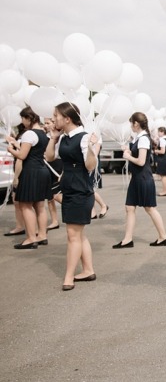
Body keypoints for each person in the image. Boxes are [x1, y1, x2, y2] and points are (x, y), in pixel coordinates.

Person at [45, 102, 98, 290]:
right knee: (77, 234)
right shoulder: (63, 138)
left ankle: (69, 277)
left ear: (67, 118)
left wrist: (92, 148)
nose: (53, 119)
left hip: (80, 190)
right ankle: (88, 270)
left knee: (72, 235)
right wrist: (53, 138)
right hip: (69, 188)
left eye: (56, 115)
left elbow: (90, 166)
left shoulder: (84, 138)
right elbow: (49, 157)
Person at [113, 112, 166, 248]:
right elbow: (138, 156)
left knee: (149, 208)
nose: (130, 126)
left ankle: (163, 237)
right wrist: (129, 150)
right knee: (130, 207)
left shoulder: (143, 138)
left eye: (131, 123)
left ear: (136, 124)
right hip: (138, 178)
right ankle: (127, 239)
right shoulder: (139, 138)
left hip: (143, 177)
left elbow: (141, 161)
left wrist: (128, 156)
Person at [6, 107, 52, 249]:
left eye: (23, 118)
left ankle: (31, 238)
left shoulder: (28, 134)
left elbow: (22, 155)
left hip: (31, 171)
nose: (22, 122)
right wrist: (17, 144)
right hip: (42, 170)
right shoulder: (43, 133)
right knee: (40, 205)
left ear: (29, 118)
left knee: (25, 205)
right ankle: (42, 235)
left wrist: (11, 149)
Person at [4, 123, 26, 237]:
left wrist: (16, 178)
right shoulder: (24, 136)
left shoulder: (25, 137)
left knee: (18, 201)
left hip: (22, 173)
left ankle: (21, 226)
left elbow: (20, 159)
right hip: (25, 172)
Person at [153, 127, 166, 196]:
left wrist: (155, 151)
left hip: (163, 159)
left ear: (163, 132)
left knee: (163, 176)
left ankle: (164, 191)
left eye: (159, 132)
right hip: (165, 158)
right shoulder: (165, 139)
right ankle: (165, 190)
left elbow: (162, 151)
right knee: (164, 176)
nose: (158, 133)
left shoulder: (163, 140)